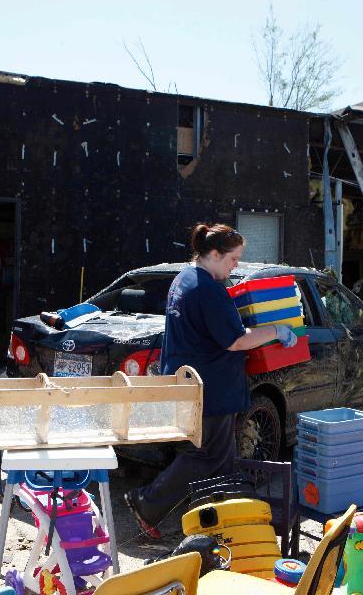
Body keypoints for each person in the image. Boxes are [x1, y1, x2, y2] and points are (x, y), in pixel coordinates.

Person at [123, 223, 298, 539]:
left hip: (191, 383)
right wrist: (276, 331)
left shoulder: (184, 279)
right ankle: (147, 503)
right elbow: (235, 340)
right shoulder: (207, 289)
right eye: (233, 259)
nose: (235, 266)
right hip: (209, 390)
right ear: (214, 254)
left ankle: (221, 519)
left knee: (222, 459)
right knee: (206, 456)